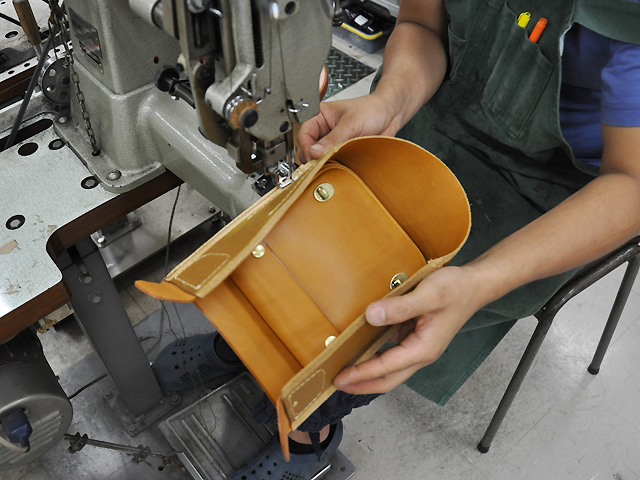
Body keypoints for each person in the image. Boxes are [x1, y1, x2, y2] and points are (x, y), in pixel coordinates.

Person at [220, 0, 640, 478]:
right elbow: (422, 25)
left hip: (535, 194)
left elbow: (631, 182)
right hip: (429, 112)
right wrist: (390, 101)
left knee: (367, 329)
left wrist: (479, 282)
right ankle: (246, 346)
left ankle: (308, 437)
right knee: (292, 258)